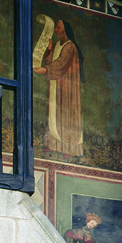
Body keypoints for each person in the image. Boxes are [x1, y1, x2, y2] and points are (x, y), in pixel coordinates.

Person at [33, 18, 84, 156]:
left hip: (68, 87)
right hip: (55, 85)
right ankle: (53, 144)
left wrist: (45, 70)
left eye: (58, 28)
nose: (56, 30)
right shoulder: (57, 45)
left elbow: (62, 62)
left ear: (65, 30)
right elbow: (50, 61)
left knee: (67, 115)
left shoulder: (70, 46)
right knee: (53, 112)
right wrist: (50, 49)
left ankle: (70, 149)